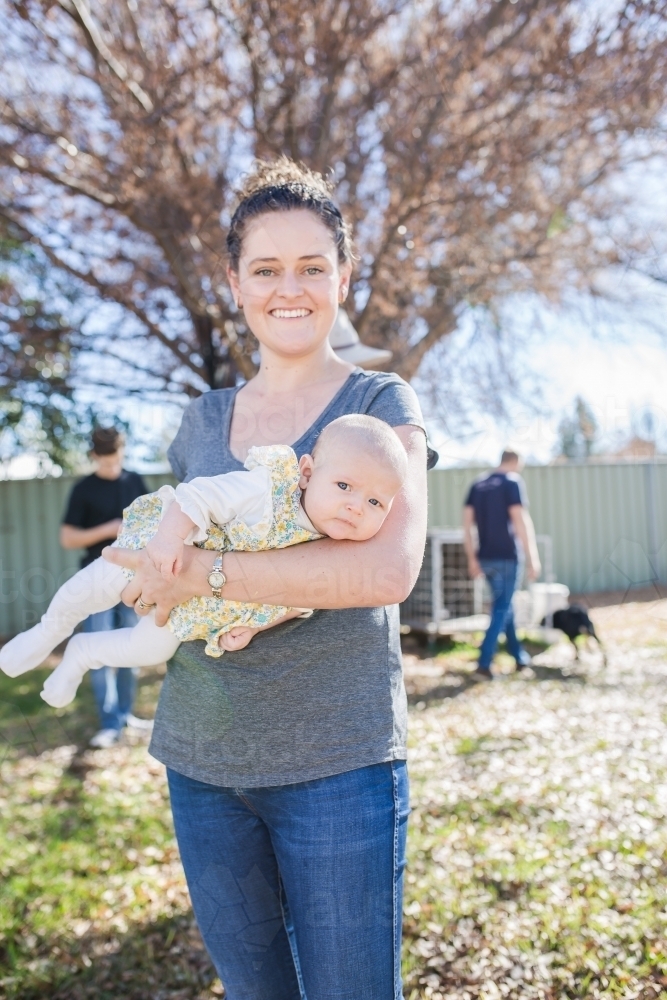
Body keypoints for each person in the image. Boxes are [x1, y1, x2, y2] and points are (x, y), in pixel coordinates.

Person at [99, 157, 428, 999]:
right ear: (234, 283)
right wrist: (146, 579)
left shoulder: (380, 403)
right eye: (267, 268)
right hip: (203, 764)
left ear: (343, 279)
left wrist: (203, 575)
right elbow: (163, 553)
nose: (292, 288)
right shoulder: (200, 420)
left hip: (339, 763)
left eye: (313, 267)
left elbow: (386, 568)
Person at [0, 416, 408, 711]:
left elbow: (297, 603)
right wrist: (165, 540)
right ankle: (47, 631)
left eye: (375, 502)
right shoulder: (265, 489)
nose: (356, 506)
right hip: (164, 555)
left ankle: (82, 654)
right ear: (306, 473)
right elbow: (198, 496)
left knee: (148, 648)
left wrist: (255, 625)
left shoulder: (333, 552)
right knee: (92, 587)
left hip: (200, 610)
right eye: (344, 486)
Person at [60, 427, 147, 747]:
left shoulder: (135, 482)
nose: (112, 468)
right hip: (95, 581)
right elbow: (68, 537)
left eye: (117, 461)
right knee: (98, 654)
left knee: (131, 649)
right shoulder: (83, 489)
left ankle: (126, 715)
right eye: (105, 462)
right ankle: (109, 724)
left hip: (132, 580)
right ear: (94, 455)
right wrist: (109, 528)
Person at [463, 448, 542, 679]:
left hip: (485, 557)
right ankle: (483, 663)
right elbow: (520, 520)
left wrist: (472, 558)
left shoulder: (478, 484)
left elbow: (467, 525)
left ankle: (519, 659)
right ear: (516, 461)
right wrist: (532, 556)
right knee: (501, 608)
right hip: (508, 557)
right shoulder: (512, 481)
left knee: (505, 606)